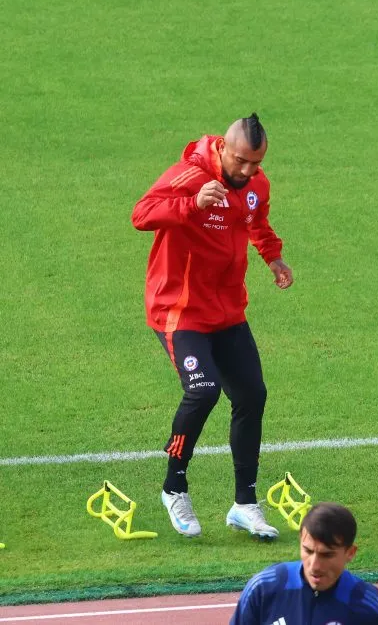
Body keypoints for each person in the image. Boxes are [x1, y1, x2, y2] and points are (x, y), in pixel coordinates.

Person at [131, 113, 293, 538]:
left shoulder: (255, 185)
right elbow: (141, 214)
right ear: (223, 147)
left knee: (252, 395)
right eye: (240, 161)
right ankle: (173, 486)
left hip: (226, 311)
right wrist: (190, 204)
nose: (247, 171)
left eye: (255, 164)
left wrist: (272, 257)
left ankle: (245, 504)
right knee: (203, 391)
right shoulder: (190, 175)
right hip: (179, 310)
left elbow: (255, 222)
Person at [231, 502, 378, 624]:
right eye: (308, 551)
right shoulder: (264, 588)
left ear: (350, 553)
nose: (314, 566)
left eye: (327, 555)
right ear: (301, 541)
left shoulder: (366, 608)